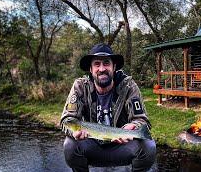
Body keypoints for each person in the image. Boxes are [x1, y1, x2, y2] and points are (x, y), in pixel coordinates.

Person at [61, 43, 156, 172]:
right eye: (97, 64)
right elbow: (66, 119)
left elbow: (142, 121)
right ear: (90, 69)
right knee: (70, 145)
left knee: (149, 146)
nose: (102, 69)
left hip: (122, 145)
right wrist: (74, 132)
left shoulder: (128, 86)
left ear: (114, 66)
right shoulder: (80, 86)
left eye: (106, 63)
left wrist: (133, 127)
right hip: (91, 145)